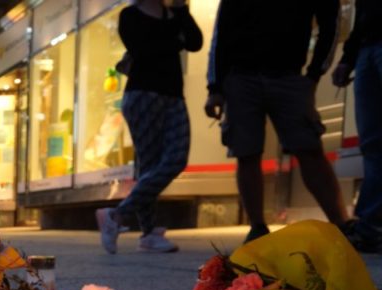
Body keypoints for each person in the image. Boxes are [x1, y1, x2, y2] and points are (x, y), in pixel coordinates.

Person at [205, 0, 349, 245]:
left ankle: (341, 225)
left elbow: (330, 23)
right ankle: (258, 227)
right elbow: (223, 30)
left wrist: (313, 75)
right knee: (247, 152)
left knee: (308, 148)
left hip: (287, 75)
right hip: (242, 75)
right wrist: (215, 87)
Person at [95, 0, 203, 254]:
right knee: (149, 164)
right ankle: (148, 233)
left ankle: (117, 215)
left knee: (176, 159)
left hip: (174, 95)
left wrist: (181, 12)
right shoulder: (130, 15)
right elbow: (144, 50)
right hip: (143, 95)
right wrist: (174, 39)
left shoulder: (174, 13)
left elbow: (195, 42)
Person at [332, 0, 382, 252]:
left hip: (369, 48)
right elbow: (363, 12)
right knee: (372, 142)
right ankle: (370, 225)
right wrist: (348, 58)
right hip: (367, 45)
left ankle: (369, 225)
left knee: (374, 142)